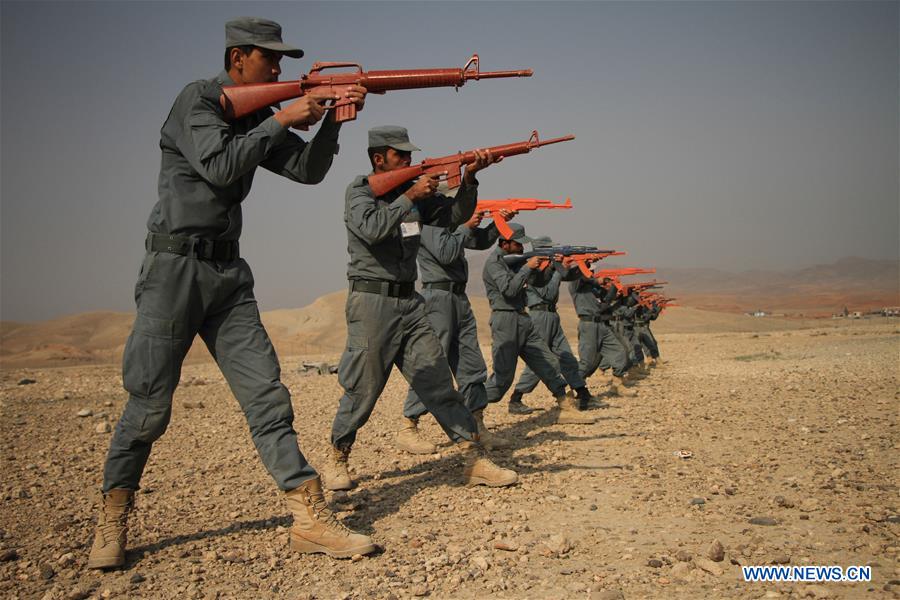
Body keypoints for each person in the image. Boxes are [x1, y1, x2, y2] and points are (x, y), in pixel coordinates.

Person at [88, 17, 375, 569]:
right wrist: (285, 117)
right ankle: (114, 511)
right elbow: (219, 165)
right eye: (271, 60)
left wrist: (334, 121)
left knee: (267, 396)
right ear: (239, 58)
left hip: (228, 274)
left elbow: (307, 171)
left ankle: (309, 516)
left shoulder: (259, 112)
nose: (279, 70)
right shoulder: (198, 100)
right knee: (149, 405)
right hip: (174, 270)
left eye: (283, 62)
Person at [324, 125, 517, 492]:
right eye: (401, 156)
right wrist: (410, 195)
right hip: (372, 302)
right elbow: (371, 229)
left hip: (410, 302)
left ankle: (472, 458)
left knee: (437, 380)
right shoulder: (361, 192)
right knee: (363, 388)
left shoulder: (413, 196)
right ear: (379, 158)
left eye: (411, 155)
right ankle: (338, 455)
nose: (409, 161)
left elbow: (455, 216)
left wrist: (470, 179)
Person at [398, 209, 518, 454]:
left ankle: (477, 426)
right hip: (437, 298)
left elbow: (480, 241)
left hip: (459, 297)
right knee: (433, 362)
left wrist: (498, 224)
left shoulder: (451, 225)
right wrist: (466, 225)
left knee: (471, 363)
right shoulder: (427, 222)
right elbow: (445, 253)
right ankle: (408, 426)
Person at [482, 224, 594, 424]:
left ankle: (565, 406)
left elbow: (540, 282)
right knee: (502, 378)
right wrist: (527, 267)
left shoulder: (517, 263)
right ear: (505, 243)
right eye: (518, 244)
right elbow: (509, 290)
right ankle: (469, 410)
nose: (522, 249)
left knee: (547, 361)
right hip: (505, 320)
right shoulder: (495, 263)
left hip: (523, 318)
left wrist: (551, 265)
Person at [509, 237, 607, 413]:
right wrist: (557, 268)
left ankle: (583, 395)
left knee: (567, 358)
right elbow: (548, 292)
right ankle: (516, 398)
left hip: (552, 316)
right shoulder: (533, 271)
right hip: (539, 316)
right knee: (540, 360)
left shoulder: (550, 268)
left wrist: (581, 265)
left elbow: (568, 276)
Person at [568, 275, 636, 398]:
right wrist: (597, 280)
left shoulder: (593, 290)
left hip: (602, 325)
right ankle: (571, 390)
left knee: (620, 352)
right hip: (588, 325)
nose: (591, 273)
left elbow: (605, 304)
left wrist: (614, 287)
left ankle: (617, 385)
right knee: (587, 363)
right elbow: (578, 277)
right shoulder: (576, 285)